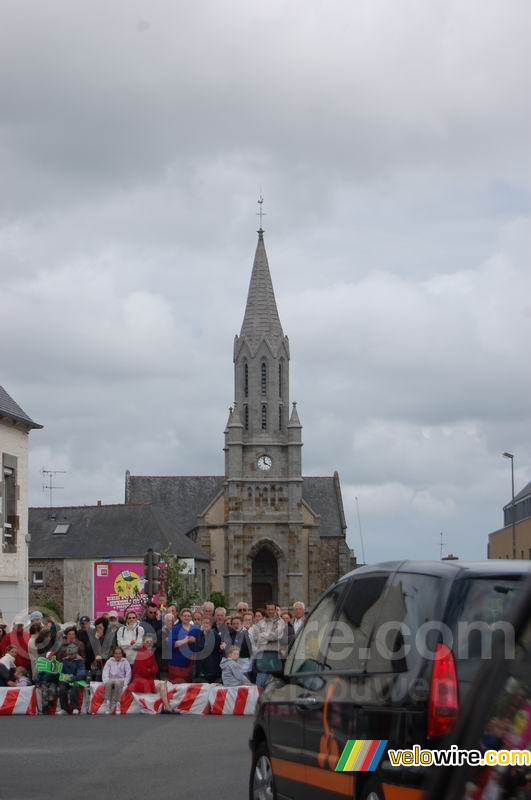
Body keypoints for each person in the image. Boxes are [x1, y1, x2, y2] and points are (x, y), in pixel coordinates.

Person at [128, 634, 177, 714]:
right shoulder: (141, 654)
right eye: (147, 642)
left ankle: (164, 706)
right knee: (162, 684)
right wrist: (151, 670)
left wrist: (150, 669)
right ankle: (167, 707)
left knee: (168, 683)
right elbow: (144, 672)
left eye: (151, 642)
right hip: (140, 681)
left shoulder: (151, 653)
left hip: (148, 679)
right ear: (143, 643)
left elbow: (156, 669)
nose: (149, 643)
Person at [254, 602, 285, 688]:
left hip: (275, 655)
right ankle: (259, 698)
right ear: (265, 610)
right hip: (263, 655)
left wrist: (264, 635)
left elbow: (276, 635)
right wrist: (271, 635)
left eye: (272, 609)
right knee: (261, 679)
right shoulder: (260, 623)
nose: (270, 611)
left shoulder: (280, 622)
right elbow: (257, 637)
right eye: (268, 609)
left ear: (275, 610)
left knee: (275, 680)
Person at [169, 608, 199, 684]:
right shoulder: (176, 628)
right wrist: (186, 640)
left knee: (189, 688)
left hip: (190, 664)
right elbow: (172, 644)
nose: (186, 617)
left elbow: (199, 641)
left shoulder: (195, 628)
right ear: (181, 617)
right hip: (177, 664)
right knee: (178, 687)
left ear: (191, 618)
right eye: (184, 615)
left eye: (188, 616)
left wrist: (194, 640)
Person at [101, 645, 131, 714]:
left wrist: (125, 683)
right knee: (108, 683)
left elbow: (128, 673)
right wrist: (106, 681)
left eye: (119, 653)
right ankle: (108, 703)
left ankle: (117, 703)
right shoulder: (109, 661)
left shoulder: (125, 662)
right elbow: (105, 672)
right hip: (111, 679)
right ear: (113, 654)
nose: (118, 655)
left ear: (122, 654)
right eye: (116, 653)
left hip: (121, 680)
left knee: (117, 683)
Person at [57, 644, 86, 715]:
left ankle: (75, 708)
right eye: (69, 654)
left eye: (72, 654)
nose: (70, 655)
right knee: (62, 688)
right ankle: (64, 709)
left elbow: (81, 674)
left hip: (77, 680)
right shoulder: (64, 661)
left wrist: (72, 678)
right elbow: (61, 672)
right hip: (66, 680)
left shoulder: (80, 661)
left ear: (76, 653)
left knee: (75, 687)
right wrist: (63, 677)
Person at [193, 616, 222, 683]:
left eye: (207, 623)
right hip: (200, 668)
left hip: (211, 670)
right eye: (204, 623)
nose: (205, 624)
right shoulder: (199, 635)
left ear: (211, 624)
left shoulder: (215, 635)